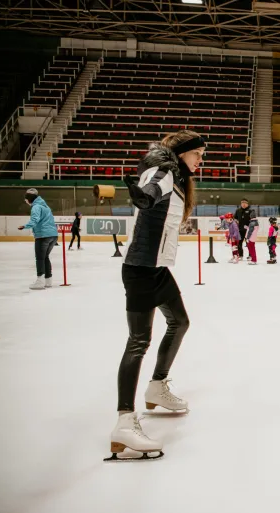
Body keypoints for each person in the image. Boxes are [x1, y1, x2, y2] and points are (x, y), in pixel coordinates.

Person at [109, 130, 205, 461]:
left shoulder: (177, 177)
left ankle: (156, 387)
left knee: (179, 322)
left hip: (157, 269)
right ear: (182, 154)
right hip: (140, 270)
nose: (200, 160)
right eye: (197, 154)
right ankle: (124, 422)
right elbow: (151, 191)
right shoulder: (165, 172)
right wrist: (142, 195)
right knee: (138, 342)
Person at [17, 188, 58, 290]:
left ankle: (40, 282)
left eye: (26, 199)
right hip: (53, 236)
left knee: (40, 258)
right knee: (45, 257)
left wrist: (25, 226)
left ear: (29, 198)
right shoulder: (46, 207)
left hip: (43, 235)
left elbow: (34, 220)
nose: (26, 201)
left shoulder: (36, 207)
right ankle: (48, 281)